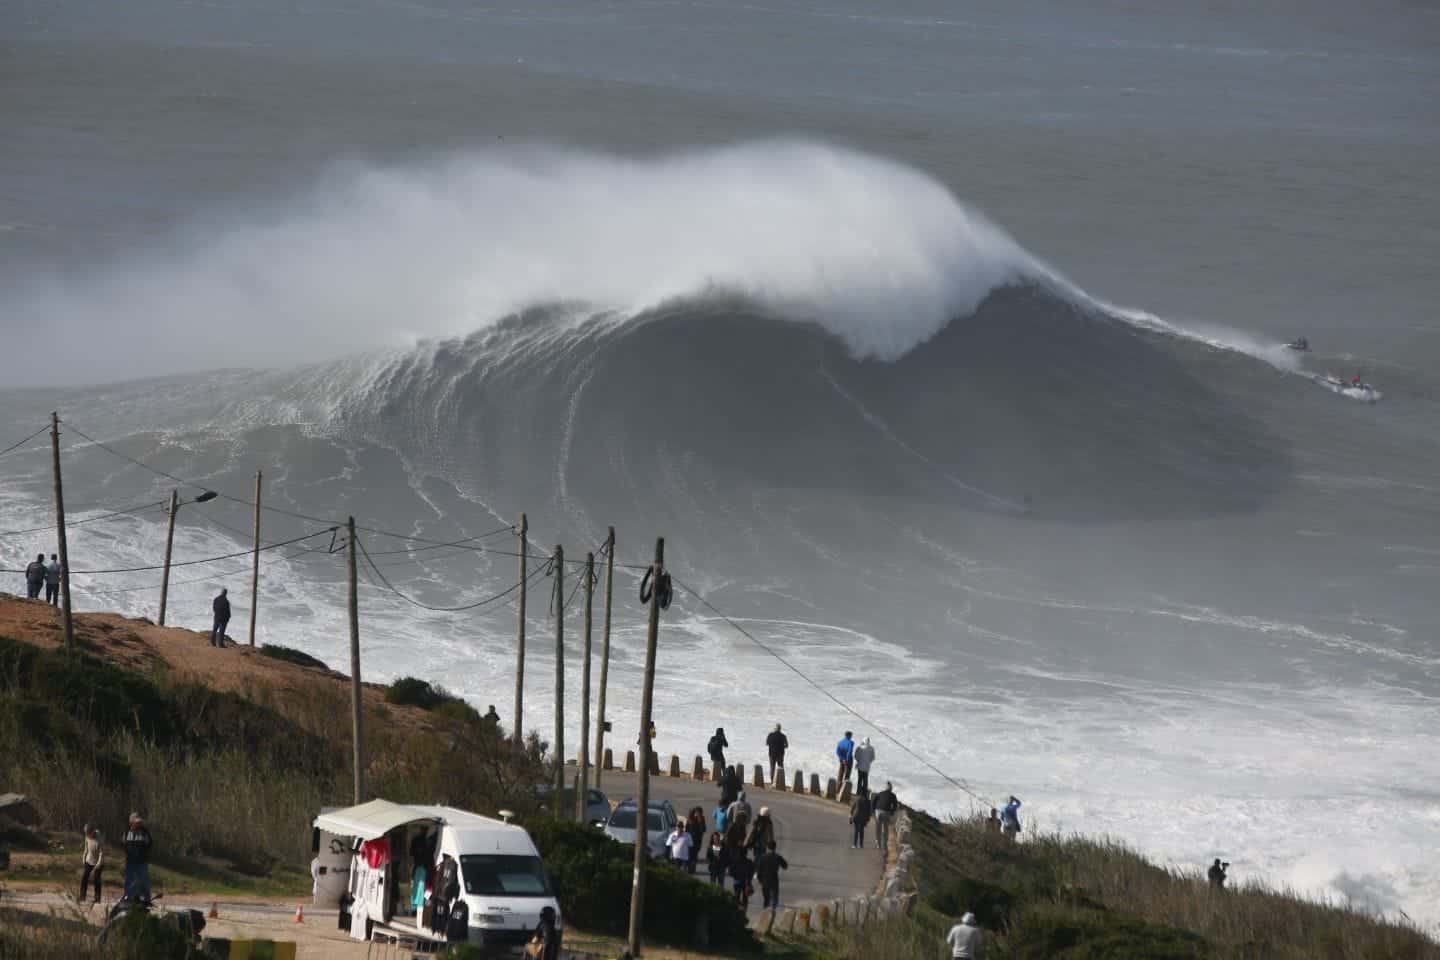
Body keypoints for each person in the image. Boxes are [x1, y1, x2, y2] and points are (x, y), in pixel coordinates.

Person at [122, 812, 152, 901]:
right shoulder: (127, 831)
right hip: (130, 860)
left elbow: (149, 844)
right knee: (128, 879)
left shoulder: (144, 831)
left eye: (139, 822)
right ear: (131, 821)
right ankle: (127, 896)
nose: (138, 823)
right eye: (136, 822)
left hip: (142, 861)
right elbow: (123, 844)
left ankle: (146, 896)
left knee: (143, 879)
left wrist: (146, 843)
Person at [753, 841, 789, 910]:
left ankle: (765, 913)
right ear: (775, 847)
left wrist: (760, 880)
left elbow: (758, 870)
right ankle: (772, 912)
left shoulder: (762, 857)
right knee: (774, 899)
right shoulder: (777, 857)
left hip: (764, 881)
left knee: (766, 899)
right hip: (774, 880)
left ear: (767, 847)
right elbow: (785, 866)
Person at [80, 823, 104, 904]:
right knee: (84, 877)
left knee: (97, 880)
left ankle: (97, 899)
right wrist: (83, 857)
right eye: (86, 833)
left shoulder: (99, 837)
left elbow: (101, 852)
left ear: (92, 831)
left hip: (98, 861)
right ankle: (82, 897)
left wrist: (99, 863)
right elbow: (86, 848)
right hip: (89, 860)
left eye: (88, 833)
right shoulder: (87, 836)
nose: (87, 835)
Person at [872, 781, 899, 852]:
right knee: (885, 829)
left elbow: (874, 800)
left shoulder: (880, 793)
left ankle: (878, 843)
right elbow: (895, 806)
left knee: (878, 828)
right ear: (891, 789)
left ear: (885, 788)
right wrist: (891, 813)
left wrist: (873, 809)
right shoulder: (893, 795)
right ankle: (884, 845)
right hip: (886, 812)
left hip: (878, 811)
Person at [685, 807, 706, 874]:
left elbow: (703, 829)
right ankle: (689, 868)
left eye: (699, 813)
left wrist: (700, 820)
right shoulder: (690, 820)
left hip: (697, 841)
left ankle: (692, 869)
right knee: (690, 856)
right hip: (690, 841)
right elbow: (686, 830)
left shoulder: (701, 819)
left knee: (693, 856)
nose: (697, 814)